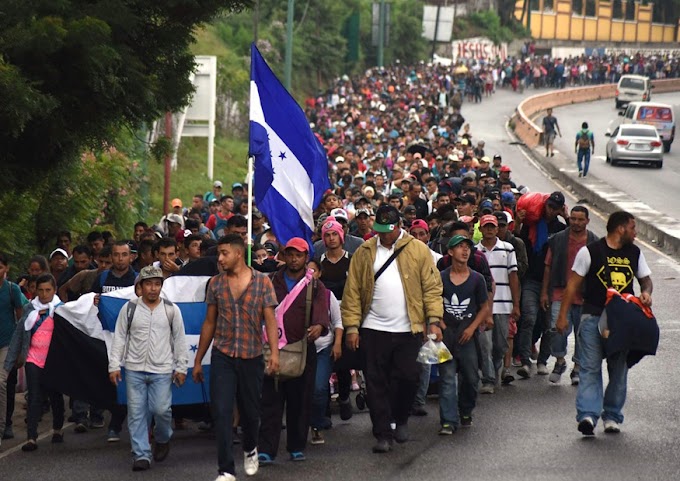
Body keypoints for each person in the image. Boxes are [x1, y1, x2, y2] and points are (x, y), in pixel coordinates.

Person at [342, 205, 443, 453]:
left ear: (398, 227)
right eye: (380, 231)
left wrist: (434, 320)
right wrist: (352, 327)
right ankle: (383, 433)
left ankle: (401, 418)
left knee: (409, 376)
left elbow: (431, 288)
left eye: (388, 231)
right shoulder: (365, 251)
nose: (383, 236)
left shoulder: (418, 250)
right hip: (373, 328)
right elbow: (352, 291)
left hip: (409, 328)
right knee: (376, 382)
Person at [556, 211, 652, 436]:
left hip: (622, 322)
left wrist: (646, 292)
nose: (635, 233)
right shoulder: (590, 252)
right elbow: (572, 286)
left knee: (619, 369)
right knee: (590, 367)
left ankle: (612, 416)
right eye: (632, 228)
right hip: (592, 317)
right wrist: (562, 316)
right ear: (620, 228)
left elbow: (645, 279)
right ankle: (588, 415)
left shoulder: (635, 253)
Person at [192, 234, 280, 481]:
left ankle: (251, 447)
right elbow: (209, 322)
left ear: (239, 254)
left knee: (251, 414)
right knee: (221, 411)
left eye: (224, 253)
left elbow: (270, 321)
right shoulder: (216, 284)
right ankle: (226, 469)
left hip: (252, 356)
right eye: (218, 253)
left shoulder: (262, 282)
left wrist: (273, 353)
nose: (219, 258)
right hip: (223, 355)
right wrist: (198, 360)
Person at [108, 266, 188, 471]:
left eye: (157, 284)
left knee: (161, 410)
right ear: (139, 287)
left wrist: (181, 367)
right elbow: (119, 338)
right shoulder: (129, 309)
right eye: (148, 284)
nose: (153, 288)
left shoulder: (171, 310)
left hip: (162, 370)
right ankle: (141, 455)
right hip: (134, 370)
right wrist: (114, 365)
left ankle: (162, 438)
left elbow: (180, 340)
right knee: (136, 414)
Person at [258, 238, 330, 464]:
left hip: (302, 349)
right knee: (270, 400)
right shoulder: (271, 281)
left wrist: (319, 325)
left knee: (300, 399)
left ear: (306, 257)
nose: (294, 259)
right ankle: (267, 449)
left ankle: (296, 446)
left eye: (299, 255)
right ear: (284, 256)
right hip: (272, 348)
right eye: (290, 254)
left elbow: (321, 309)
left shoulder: (315, 285)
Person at [4, 274, 64, 452]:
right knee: (34, 396)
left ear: (54, 290)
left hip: (54, 360)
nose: (44, 294)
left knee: (55, 395)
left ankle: (58, 429)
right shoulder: (29, 308)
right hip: (33, 358)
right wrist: (10, 362)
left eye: (48, 290)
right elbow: (19, 335)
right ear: (35, 291)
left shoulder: (62, 309)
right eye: (41, 290)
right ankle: (31, 437)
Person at [438, 235, 490, 434]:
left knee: (470, 377)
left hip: (468, 337)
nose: (465, 251)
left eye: (467, 247)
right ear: (450, 252)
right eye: (459, 247)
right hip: (446, 336)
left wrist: (472, 327)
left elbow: (484, 308)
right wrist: (438, 323)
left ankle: (466, 409)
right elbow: (431, 302)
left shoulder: (477, 279)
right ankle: (448, 421)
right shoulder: (440, 277)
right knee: (447, 378)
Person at [541, 205, 598, 385]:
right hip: (560, 292)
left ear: (587, 221)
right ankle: (559, 360)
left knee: (583, 334)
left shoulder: (595, 243)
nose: (576, 222)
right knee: (556, 330)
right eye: (573, 218)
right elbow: (548, 266)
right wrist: (544, 292)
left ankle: (578, 368)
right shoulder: (558, 240)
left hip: (585, 296)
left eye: (580, 219)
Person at [476, 215, 520, 392]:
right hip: (483, 306)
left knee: (501, 344)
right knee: (485, 344)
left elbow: (513, 277)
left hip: (503, 304)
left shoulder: (508, 249)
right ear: (480, 229)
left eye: (492, 227)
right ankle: (488, 379)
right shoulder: (474, 251)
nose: (489, 230)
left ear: (497, 229)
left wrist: (516, 304)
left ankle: (494, 371)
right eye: (486, 226)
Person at [0, 253, 28, 444]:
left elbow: (21, 320)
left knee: (2, 383)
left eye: (0, 266)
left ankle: (3, 425)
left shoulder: (12, 290)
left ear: (6, 269)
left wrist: (20, 350)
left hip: (7, 344)